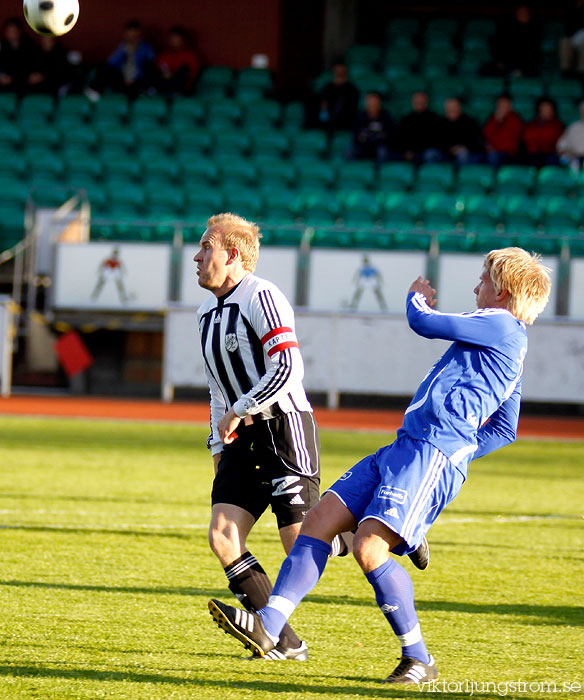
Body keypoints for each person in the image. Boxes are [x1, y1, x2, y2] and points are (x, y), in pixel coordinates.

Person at [208, 247, 552, 684]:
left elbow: (423, 322)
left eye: (482, 279)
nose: (475, 286)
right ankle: (270, 626)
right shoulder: (504, 339)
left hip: (429, 453)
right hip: (405, 447)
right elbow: (506, 428)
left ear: (502, 290)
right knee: (319, 520)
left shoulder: (501, 323)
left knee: (369, 549)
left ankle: (418, 659)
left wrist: (417, 296)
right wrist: (462, 449)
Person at [194, 213, 358, 662]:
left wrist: (239, 410)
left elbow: (288, 370)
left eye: (207, 246)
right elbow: (216, 388)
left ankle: (367, 524)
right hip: (239, 439)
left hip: (283, 428)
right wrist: (216, 444)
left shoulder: (261, 295)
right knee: (224, 535)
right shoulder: (205, 313)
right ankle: (282, 641)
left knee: (300, 541)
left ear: (234, 255)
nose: (197, 255)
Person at [347, 92, 398, 164]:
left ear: (379, 105)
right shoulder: (361, 117)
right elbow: (356, 136)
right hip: (363, 147)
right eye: (370, 104)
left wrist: (373, 137)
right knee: (349, 151)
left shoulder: (386, 117)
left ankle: (378, 172)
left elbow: (390, 136)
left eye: (374, 104)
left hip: (379, 147)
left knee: (382, 152)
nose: (372, 106)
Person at [398, 91, 443, 163]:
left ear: (426, 102)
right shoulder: (407, 119)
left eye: (421, 101)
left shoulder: (434, 118)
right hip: (412, 152)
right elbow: (402, 138)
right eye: (417, 102)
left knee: (429, 154)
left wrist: (418, 150)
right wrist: (407, 151)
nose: (419, 104)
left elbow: (436, 140)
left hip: (428, 151)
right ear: (413, 103)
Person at [156, 26, 200, 96]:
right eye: (172, 40)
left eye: (177, 39)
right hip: (165, 83)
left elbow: (192, 74)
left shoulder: (190, 55)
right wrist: (165, 74)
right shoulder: (164, 54)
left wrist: (174, 76)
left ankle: (175, 93)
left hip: (182, 87)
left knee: (184, 69)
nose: (174, 42)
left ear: (183, 40)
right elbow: (160, 67)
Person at [439, 97, 484, 165]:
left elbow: (475, 140)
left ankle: (463, 174)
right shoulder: (440, 123)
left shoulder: (469, 121)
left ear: (459, 107)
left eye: (454, 107)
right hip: (445, 152)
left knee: (463, 153)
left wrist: (462, 147)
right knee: (431, 154)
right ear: (445, 108)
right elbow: (436, 141)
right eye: (449, 107)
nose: (452, 109)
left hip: (465, 152)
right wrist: (450, 149)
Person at [483, 94, 524, 166]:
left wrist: (501, 121)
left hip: (509, 153)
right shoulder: (492, 119)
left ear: (510, 106)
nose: (503, 107)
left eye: (505, 105)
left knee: (493, 157)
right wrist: (497, 121)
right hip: (492, 152)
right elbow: (486, 135)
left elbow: (511, 140)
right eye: (500, 105)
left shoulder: (515, 119)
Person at [317, 62, 359, 133]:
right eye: (337, 70)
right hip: (328, 121)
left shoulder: (351, 88)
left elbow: (353, 108)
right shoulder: (327, 87)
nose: (339, 73)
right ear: (334, 71)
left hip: (346, 121)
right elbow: (323, 106)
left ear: (345, 71)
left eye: (341, 70)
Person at [522, 98, 564, 167]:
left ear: (553, 111)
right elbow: (527, 138)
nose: (545, 111)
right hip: (532, 154)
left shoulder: (557, 125)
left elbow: (557, 142)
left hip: (550, 154)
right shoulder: (532, 124)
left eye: (548, 109)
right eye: (543, 109)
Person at [0, 17, 36, 94]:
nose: (11, 34)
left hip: (24, 86)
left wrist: (15, 78)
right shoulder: (2, 47)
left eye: (14, 31)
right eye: (9, 31)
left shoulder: (30, 48)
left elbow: (32, 73)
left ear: (20, 31)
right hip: (4, 87)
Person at [557, 101, 584, 172]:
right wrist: (569, 152)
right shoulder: (573, 127)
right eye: (582, 111)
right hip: (574, 159)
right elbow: (561, 146)